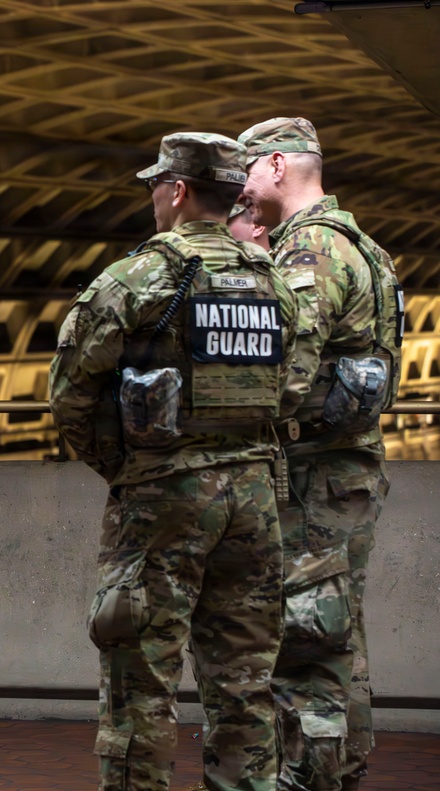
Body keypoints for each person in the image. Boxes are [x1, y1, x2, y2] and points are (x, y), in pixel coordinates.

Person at [49, 132, 299, 791]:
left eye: (156, 185)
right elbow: (289, 381)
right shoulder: (270, 280)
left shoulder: (141, 276)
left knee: (141, 687)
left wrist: (129, 465)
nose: (154, 197)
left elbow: (70, 392)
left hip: (162, 504)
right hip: (255, 503)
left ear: (178, 191)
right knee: (245, 687)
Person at [237, 117, 402, 791]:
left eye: (246, 172)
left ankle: (307, 777)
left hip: (312, 478)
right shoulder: (364, 245)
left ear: (277, 165)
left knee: (301, 643)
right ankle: (345, 766)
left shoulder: (308, 252)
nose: (242, 193)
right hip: (350, 471)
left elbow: (283, 376)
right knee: (338, 635)